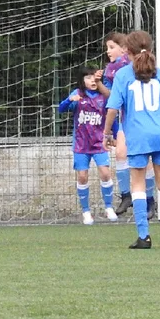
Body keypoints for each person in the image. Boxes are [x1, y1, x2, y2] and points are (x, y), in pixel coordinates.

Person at [103, 31, 160, 249]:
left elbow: (113, 108)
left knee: (137, 185)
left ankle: (144, 236)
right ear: (150, 49)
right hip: (159, 134)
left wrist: (106, 134)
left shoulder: (123, 75)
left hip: (137, 136)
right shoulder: (158, 73)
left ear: (127, 50)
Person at [100, 32, 159, 218]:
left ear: (124, 49)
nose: (108, 51)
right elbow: (111, 96)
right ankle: (126, 195)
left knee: (145, 161)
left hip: (143, 118)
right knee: (120, 154)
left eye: (112, 47)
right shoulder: (112, 70)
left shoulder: (136, 65)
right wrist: (98, 83)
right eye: (107, 48)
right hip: (125, 119)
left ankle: (150, 200)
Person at [57, 65, 117, 224]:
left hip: (99, 143)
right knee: (82, 176)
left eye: (94, 77)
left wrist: (116, 135)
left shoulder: (103, 96)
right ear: (82, 80)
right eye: (88, 77)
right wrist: (69, 100)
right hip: (81, 144)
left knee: (105, 173)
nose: (92, 80)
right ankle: (86, 211)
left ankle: (109, 207)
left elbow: (111, 117)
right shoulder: (77, 94)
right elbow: (60, 109)